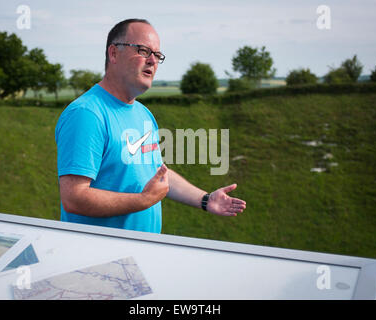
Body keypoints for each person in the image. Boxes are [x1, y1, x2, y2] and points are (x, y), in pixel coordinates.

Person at [55, 18, 246, 233]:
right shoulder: (87, 114)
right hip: (98, 261)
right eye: (144, 51)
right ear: (114, 53)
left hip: (141, 255)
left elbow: (157, 173)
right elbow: (74, 198)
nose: (153, 61)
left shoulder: (143, 114)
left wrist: (205, 199)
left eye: (157, 55)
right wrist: (143, 200)